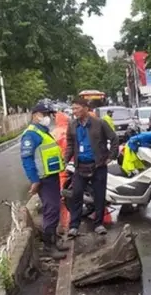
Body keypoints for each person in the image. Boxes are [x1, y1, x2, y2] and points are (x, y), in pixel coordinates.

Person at [20, 102, 69, 260]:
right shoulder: (31, 134)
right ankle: (49, 247)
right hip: (43, 179)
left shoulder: (43, 131)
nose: (48, 117)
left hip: (52, 176)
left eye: (49, 115)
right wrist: (34, 180)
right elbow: (27, 159)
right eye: (45, 114)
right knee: (51, 210)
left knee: (54, 209)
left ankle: (54, 242)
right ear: (36, 115)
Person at [65, 97, 119, 236]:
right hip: (80, 166)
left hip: (98, 166)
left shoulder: (99, 123)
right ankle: (74, 226)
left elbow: (114, 139)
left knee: (99, 196)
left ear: (85, 108)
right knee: (76, 195)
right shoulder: (72, 125)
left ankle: (98, 224)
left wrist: (110, 157)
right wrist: (65, 160)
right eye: (73, 109)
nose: (74, 111)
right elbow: (70, 145)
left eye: (76, 108)